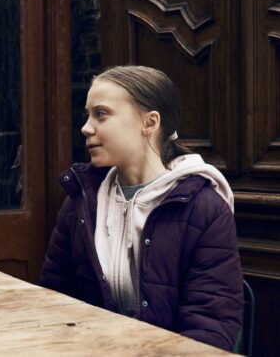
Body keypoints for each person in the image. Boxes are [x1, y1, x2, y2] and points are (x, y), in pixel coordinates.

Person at [39, 66, 243, 351]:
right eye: (87, 115)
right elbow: (54, 299)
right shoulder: (81, 200)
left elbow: (210, 323)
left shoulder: (203, 209)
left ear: (150, 122)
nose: (86, 127)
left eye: (101, 114)